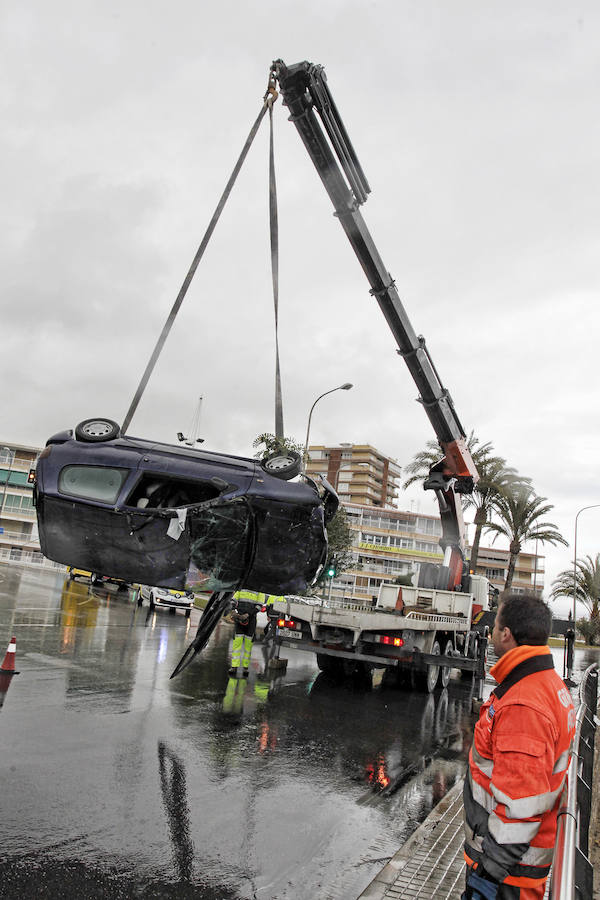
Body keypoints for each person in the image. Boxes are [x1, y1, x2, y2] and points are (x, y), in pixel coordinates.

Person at [463, 592, 576, 900]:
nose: (491, 633)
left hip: (505, 876)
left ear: (506, 634)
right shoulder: (548, 684)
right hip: (511, 868)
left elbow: (521, 805)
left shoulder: (524, 703)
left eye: (495, 625)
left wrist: (486, 876)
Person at [227, 588, 265, 677]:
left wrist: (247, 615)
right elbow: (233, 600)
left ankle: (245, 667)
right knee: (237, 643)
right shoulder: (242, 588)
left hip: (250, 621)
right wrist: (233, 610)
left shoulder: (259, 591)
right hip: (239, 618)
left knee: (248, 645)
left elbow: (259, 606)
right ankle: (234, 666)